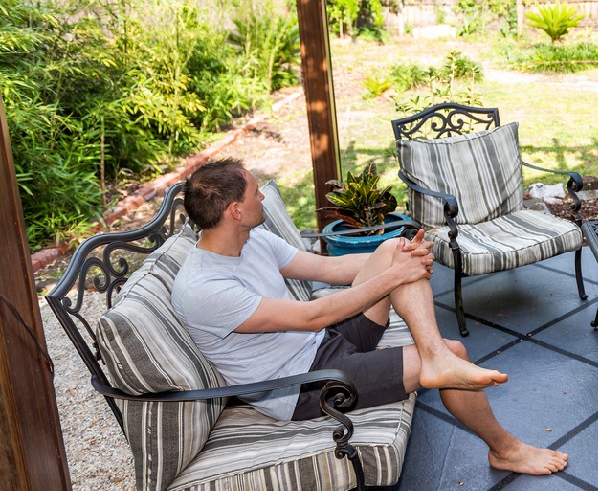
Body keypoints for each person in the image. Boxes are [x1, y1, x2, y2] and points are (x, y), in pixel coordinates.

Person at [172, 157, 568, 476]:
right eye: (257, 193)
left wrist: (405, 259)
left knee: (399, 251)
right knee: (456, 352)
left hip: (323, 342)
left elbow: (326, 270)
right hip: (301, 386)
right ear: (236, 211)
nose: (264, 198)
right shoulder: (205, 288)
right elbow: (312, 315)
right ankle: (506, 450)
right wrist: (396, 276)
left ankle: (434, 358)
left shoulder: (251, 238)